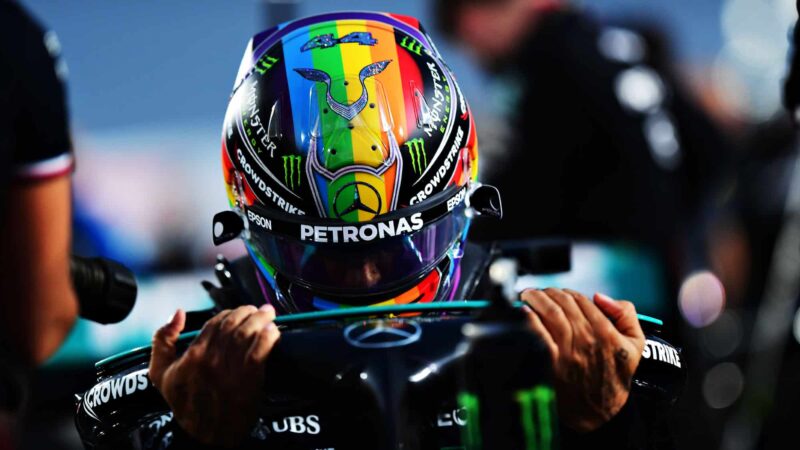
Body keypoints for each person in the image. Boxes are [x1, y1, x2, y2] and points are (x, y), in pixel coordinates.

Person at [146, 12, 647, 449]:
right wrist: (197, 439)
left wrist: (606, 424)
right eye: (330, 258)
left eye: (394, 250)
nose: (368, 282)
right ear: (247, 223)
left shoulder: (549, 344)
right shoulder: (196, 372)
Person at [435, 0, 730, 321]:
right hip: (667, 281)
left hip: (613, 300)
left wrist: (450, 245)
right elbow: (710, 152)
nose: (476, 58)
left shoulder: (546, 61)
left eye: (467, 41)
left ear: (473, 20)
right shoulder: (620, 43)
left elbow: (526, 197)